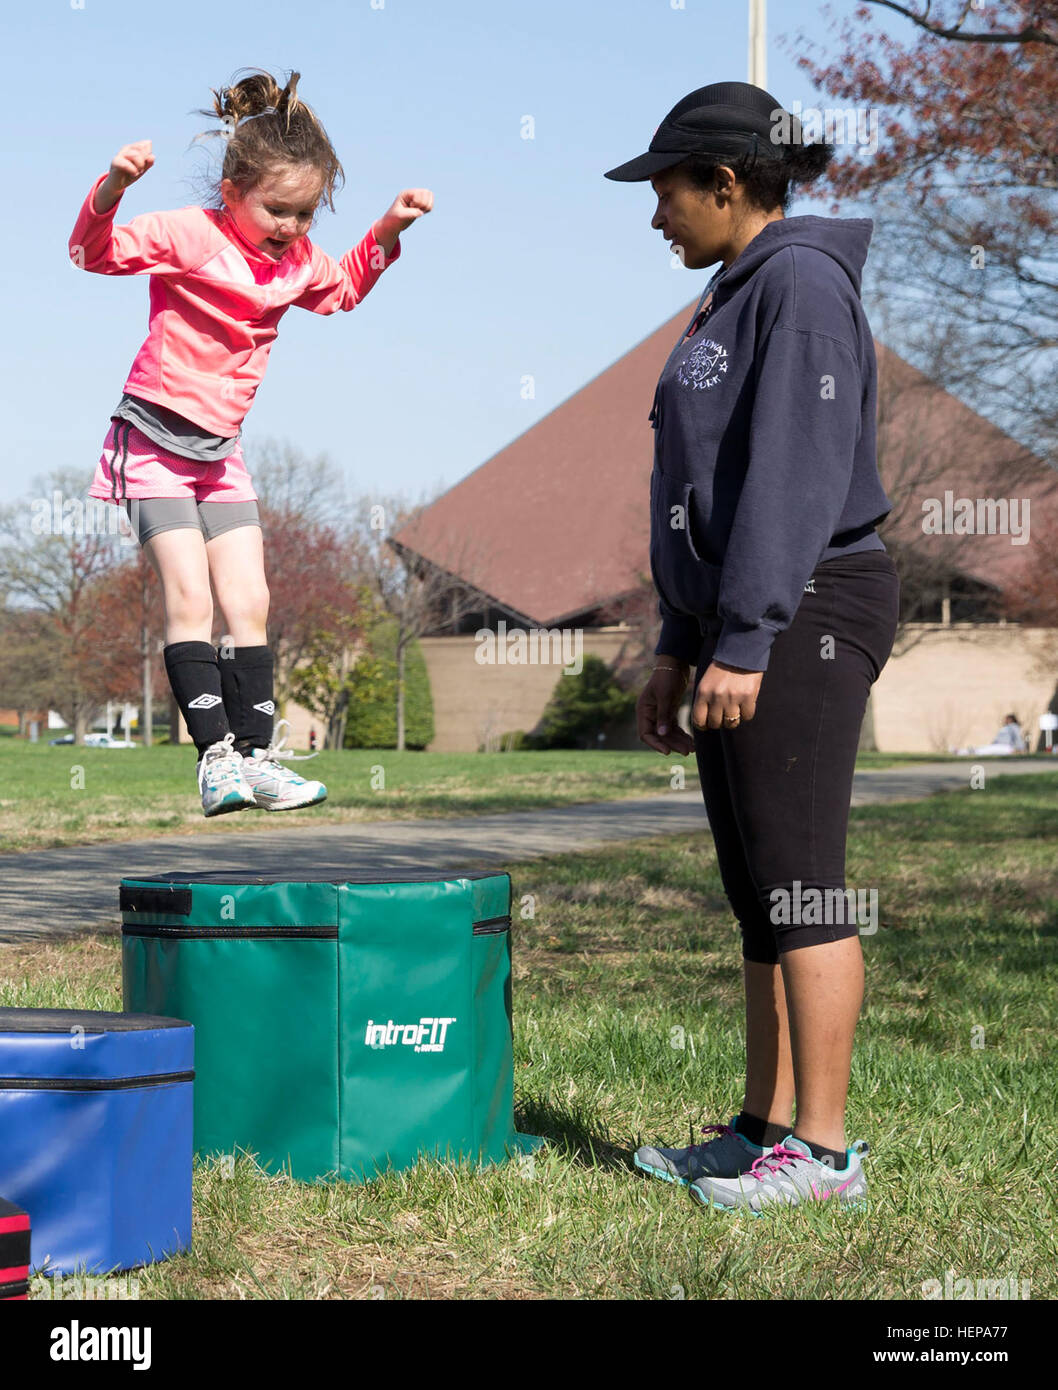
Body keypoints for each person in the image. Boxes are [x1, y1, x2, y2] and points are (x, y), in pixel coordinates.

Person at [608, 83, 900, 1211]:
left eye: (666, 192)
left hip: (809, 606)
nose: (655, 216)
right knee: (758, 893)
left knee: (803, 883)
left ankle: (822, 1157)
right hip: (749, 616)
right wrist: (680, 643)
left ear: (725, 184)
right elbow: (702, 489)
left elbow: (786, 477)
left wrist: (747, 638)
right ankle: (760, 1129)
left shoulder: (799, 285)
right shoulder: (735, 291)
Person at [70, 68, 432, 816]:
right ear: (232, 188)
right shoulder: (187, 234)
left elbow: (343, 292)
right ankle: (214, 761)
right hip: (154, 442)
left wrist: (387, 230)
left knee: (252, 601)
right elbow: (92, 253)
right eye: (277, 209)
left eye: (306, 214)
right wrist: (112, 187)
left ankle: (259, 759)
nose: (292, 228)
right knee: (190, 594)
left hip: (220, 453)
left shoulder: (297, 262)